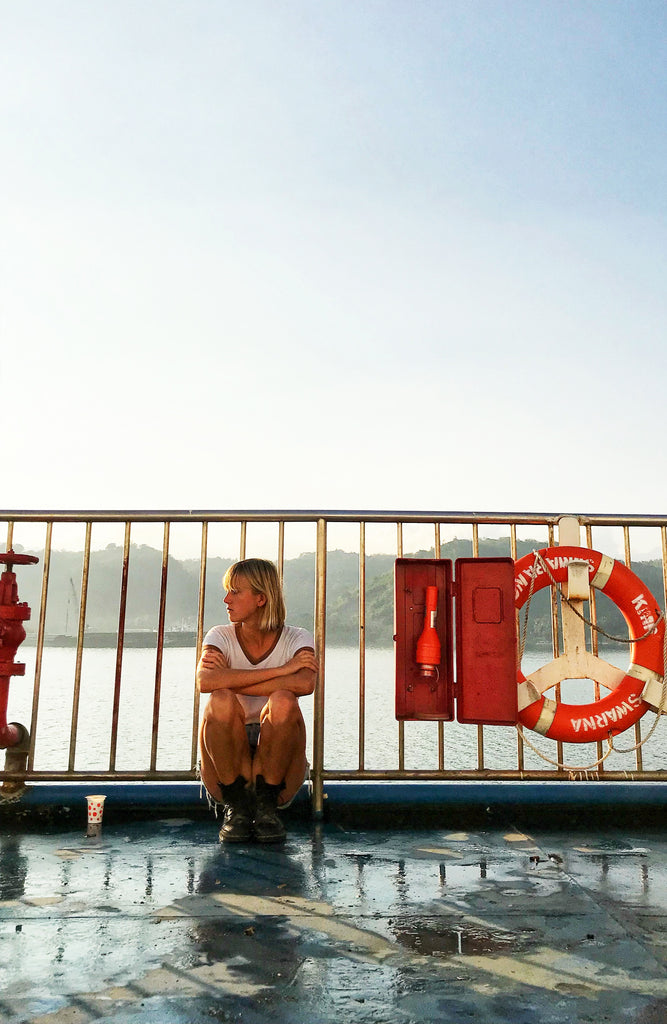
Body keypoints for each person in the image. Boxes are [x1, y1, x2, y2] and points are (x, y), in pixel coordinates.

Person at [197, 558, 318, 843]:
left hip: (281, 770)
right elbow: (206, 682)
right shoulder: (220, 635)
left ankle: (266, 807)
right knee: (221, 699)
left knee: (284, 701)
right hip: (223, 764)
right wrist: (283, 670)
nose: (226, 599)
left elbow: (305, 683)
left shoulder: (297, 638)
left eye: (236, 592)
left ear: (261, 598)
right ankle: (236, 807)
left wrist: (231, 675)